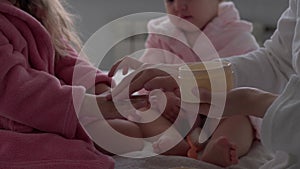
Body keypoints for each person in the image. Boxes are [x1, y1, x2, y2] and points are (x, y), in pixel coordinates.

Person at [108, 0, 300, 168]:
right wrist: (163, 96)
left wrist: (245, 100)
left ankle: (217, 149)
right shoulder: (161, 35)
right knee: (145, 110)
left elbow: (259, 87)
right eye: (170, 0)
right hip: (175, 114)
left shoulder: (235, 34)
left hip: (221, 111)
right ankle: (174, 143)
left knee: (240, 119)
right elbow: (277, 61)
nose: (179, 6)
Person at [0, 0, 147, 168]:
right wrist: (92, 106)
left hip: (55, 109)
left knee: (129, 131)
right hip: (12, 124)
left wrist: (102, 90)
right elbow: (15, 89)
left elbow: (64, 58)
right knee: (118, 138)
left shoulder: (35, 6)